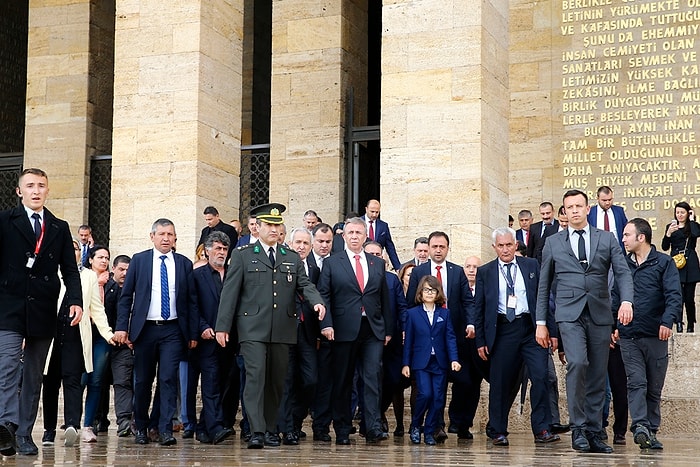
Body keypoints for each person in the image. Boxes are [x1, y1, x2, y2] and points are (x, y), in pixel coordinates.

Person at [215, 203, 325, 449]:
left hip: (283, 329)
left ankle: (271, 428)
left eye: (277, 225)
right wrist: (223, 326)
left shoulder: (291, 257)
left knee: (276, 382)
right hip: (252, 328)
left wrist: (316, 302)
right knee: (255, 378)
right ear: (259, 228)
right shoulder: (243, 255)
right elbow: (229, 293)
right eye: (270, 225)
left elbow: (304, 284)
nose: (274, 229)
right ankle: (256, 430)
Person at [536, 189, 634, 454]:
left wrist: (626, 301)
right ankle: (578, 428)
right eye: (570, 207)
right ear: (565, 212)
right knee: (577, 363)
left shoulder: (607, 238)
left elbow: (623, 272)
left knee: (597, 373)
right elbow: (544, 285)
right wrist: (541, 321)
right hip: (569, 315)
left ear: (588, 208)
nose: (575, 210)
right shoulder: (553, 242)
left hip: (600, 313)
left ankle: (593, 430)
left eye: (579, 205)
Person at [0, 168, 83, 457]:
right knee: (8, 367)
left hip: (43, 308)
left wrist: (76, 300)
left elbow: (70, 271)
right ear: (19, 191)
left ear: (48, 190)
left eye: (41, 186)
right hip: (8, 307)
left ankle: (23, 434)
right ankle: (6, 426)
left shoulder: (59, 227)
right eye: (30, 186)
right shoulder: (5, 221)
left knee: (34, 374)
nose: (36, 191)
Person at [115, 218, 199, 446]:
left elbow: (191, 301)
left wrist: (192, 334)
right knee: (142, 381)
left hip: (173, 329)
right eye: (161, 234)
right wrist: (122, 327)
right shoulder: (140, 261)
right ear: (152, 236)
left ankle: (164, 429)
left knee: (168, 379)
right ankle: (140, 426)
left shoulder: (183, 263)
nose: (166, 238)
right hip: (145, 330)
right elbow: (126, 298)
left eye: (170, 234)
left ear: (174, 238)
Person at [474, 227, 559, 447]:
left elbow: (544, 298)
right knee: (501, 382)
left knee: (541, 377)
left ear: (516, 245)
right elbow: (480, 308)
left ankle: (542, 428)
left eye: (509, 244)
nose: (505, 249)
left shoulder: (531, 265)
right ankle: (498, 430)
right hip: (502, 331)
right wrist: (481, 341)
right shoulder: (485, 272)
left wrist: (552, 331)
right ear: (494, 247)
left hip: (531, 329)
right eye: (500, 245)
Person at [318, 217, 393, 445]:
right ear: (343, 235)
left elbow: (383, 298)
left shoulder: (376, 263)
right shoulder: (332, 262)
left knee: (372, 378)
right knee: (343, 380)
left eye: (358, 233)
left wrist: (387, 329)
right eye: (350, 232)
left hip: (372, 329)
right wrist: (326, 324)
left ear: (364, 236)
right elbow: (324, 295)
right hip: (342, 329)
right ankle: (342, 428)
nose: (354, 236)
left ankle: (372, 428)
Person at [405, 231, 481, 441]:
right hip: (426, 341)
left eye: (442, 247)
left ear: (448, 248)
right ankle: (434, 427)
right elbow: (411, 304)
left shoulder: (457, 272)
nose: (438, 250)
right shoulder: (419, 272)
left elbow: (468, 301)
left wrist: (470, 323)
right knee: (428, 389)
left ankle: (457, 422)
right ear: (428, 248)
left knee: (463, 381)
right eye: (434, 247)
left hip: (454, 338)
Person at [42, 244, 114, 448]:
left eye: (75, 248)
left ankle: (72, 425)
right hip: (51, 335)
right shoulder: (50, 271)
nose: (72, 251)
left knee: (74, 381)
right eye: (70, 247)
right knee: (50, 383)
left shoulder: (89, 276)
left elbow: (96, 308)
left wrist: (107, 333)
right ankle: (49, 430)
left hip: (76, 335)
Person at [620, 218, 682, 450]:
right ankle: (640, 426)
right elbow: (615, 295)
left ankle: (651, 431)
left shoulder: (664, 263)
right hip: (629, 336)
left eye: (627, 235)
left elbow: (674, 295)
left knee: (654, 387)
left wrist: (667, 321)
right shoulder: (623, 265)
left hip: (657, 335)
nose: (623, 239)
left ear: (641, 237)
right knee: (636, 382)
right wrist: (614, 326)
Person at [402, 275, 460, 445]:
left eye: (433, 290)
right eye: (426, 289)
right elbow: (409, 341)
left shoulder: (445, 313)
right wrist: (406, 363)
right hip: (421, 362)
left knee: (438, 398)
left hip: (440, 362)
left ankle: (429, 431)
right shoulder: (412, 314)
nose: (429, 293)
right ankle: (415, 426)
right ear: (421, 291)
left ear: (438, 293)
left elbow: (450, 338)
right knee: (425, 393)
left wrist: (454, 359)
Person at [189, 231, 234, 445]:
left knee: (224, 383)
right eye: (217, 248)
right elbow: (192, 306)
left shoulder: (234, 274)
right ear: (207, 251)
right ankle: (216, 427)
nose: (221, 253)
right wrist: (203, 327)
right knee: (211, 383)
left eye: (225, 249)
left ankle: (203, 428)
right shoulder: (197, 276)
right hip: (207, 340)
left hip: (230, 341)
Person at [364, 241, 409, 438]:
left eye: (378, 253)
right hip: (366, 336)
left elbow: (401, 307)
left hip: (391, 338)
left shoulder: (392, 280)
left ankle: (379, 411)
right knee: (369, 379)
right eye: (371, 253)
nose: (375, 256)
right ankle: (372, 421)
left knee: (392, 379)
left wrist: (405, 330)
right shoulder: (358, 276)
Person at [80, 246, 118, 443]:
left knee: (96, 380)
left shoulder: (113, 284)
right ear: (91, 259)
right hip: (83, 332)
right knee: (81, 379)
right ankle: (73, 421)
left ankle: (89, 424)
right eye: (100, 257)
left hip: (103, 336)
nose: (104, 261)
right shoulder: (83, 278)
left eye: (107, 258)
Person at [103, 255, 133, 437]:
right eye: (121, 269)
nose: (124, 273)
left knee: (128, 382)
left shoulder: (135, 289)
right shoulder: (105, 288)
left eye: (128, 270)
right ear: (113, 269)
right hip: (110, 343)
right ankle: (113, 420)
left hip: (130, 344)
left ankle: (129, 420)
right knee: (111, 382)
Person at [661, 201, 700, 333]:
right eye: (678, 212)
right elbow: (665, 247)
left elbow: (696, 234)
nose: (680, 215)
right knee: (678, 296)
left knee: (689, 297)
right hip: (676, 264)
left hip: (690, 264)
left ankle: (690, 323)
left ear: (687, 213)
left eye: (682, 212)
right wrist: (668, 234)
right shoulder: (671, 227)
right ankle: (678, 322)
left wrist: (692, 219)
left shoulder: (692, 226)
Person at [362, 199, 402, 270]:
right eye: (372, 211)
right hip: (362, 261)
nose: (374, 215)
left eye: (377, 212)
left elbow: (390, 247)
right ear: (366, 209)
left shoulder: (383, 226)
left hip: (378, 263)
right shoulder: (358, 222)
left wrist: (398, 268)